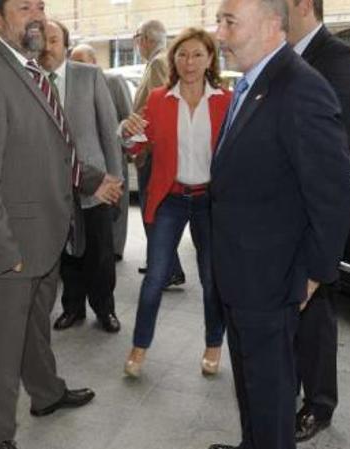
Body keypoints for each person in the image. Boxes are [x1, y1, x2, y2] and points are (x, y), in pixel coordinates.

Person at [0, 0, 123, 449]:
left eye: (41, 5)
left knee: (34, 328)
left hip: (44, 234)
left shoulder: (32, 70)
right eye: (25, 5)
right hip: (8, 243)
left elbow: (54, 149)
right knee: (0, 346)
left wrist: (90, 180)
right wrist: (4, 253)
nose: (38, 14)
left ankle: (45, 394)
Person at [207, 1, 350, 449]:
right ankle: (255, 448)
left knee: (271, 382)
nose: (219, 32)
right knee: (249, 373)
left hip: (271, 274)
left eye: (230, 21)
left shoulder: (301, 88)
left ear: (273, 24)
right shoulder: (251, 82)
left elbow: (332, 194)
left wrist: (313, 275)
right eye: (220, 20)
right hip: (239, 266)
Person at [119, 28, 231, 378]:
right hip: (171, 198)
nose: (189, 62)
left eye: (198, 54)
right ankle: (139, 347)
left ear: (210, 59)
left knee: (212, 280)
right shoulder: (158, 99)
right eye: (183, 55)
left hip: (210, 202)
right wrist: (127, 133)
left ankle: (213, 344)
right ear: (174, 61)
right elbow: (138, 147)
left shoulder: (226, 101)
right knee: (154, 277)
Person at [286, 0, 350, 443]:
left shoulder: (337, 58)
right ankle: (287, 389)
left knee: (316, 319)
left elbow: (330, 140)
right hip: (283, 215)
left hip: (316, 216)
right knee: (290, 313)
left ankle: (319, 405)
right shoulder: (287, 57)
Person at [41, 20, 123, 334]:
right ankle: (72, 309)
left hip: (96, 186)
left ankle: (105, 310)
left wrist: (114, 179)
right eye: (43, 41)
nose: (48, 47)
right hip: (55, 188)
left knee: (100, 254)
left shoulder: (89, 76)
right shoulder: (31, 80)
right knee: (68, 255)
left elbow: (108, 129)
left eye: (53, 40)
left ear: (65, 44)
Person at [133, 19, 186, 287]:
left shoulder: (157, 63)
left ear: (145, 39)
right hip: (159, 150)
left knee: (152, 210)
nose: (136, 43)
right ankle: (167, 266)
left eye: (137, 37)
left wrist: (141, 147)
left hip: (153, 151)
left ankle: (166, 269)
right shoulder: (162, 61)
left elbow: (155, 110)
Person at [70, 43, 133, 261]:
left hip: (112, 156)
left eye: (81, 61)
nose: (75, 67)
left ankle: (116, 249)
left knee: (114, 214)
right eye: (73, 62)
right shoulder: (67, 85)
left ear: (94, 63)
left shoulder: (113, 82)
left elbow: (127, 116)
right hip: (86, 170)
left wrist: (124, 147)